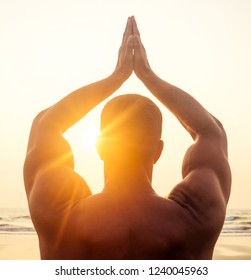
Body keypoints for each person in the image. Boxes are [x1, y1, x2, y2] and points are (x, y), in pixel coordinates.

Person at [23, 16, 231, 260]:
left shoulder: (61, 215)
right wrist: (148, 75)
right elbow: (211, 132)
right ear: (158, 151)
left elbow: (45, 126)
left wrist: (116, 77)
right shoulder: (194, 216)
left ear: (100, 146)